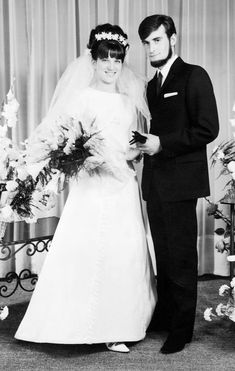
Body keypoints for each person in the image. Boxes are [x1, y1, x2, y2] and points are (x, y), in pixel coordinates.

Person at [15, 23, 157, 353]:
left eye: (117, 60)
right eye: (105, 59)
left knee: (123, 253)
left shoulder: (126, 100)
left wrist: (132, 153)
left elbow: (131, 141)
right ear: (92, 60)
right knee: (86, 249)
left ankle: (119, 325)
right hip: (91, 187)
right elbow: (60, 140)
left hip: (122, 186)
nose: (111, 66)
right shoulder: (79, 97)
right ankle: (71, 323)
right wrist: (83, 157)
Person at [137, 15, 219, 354]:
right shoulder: (151, 85)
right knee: (164, 254)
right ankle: (167, 314)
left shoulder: (194, 75)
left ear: (173, 39)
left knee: (182, 257)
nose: (151, 47)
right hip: (155, 183)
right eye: (147, 43)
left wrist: (161, 144)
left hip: (182, 183)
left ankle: (182, 329)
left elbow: (207, 128)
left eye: (157, 39)